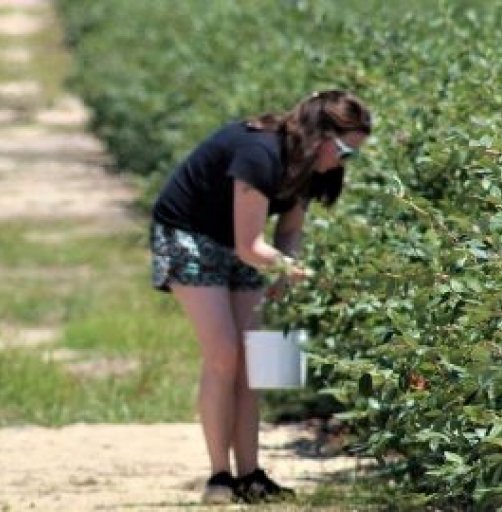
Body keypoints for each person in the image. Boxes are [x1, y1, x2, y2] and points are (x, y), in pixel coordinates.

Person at [149, 90, 372, 504]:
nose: (344, 161)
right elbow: (251, 247)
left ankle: (251, 475)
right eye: (344, 150)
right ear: (320, 135)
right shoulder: (259, 153)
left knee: (255, 359)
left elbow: (288, 230)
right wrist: (294, 271)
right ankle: (220, 476)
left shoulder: (310, 166)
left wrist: (289, 267)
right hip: (188, 234)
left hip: (235, 240)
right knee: (224, 354)